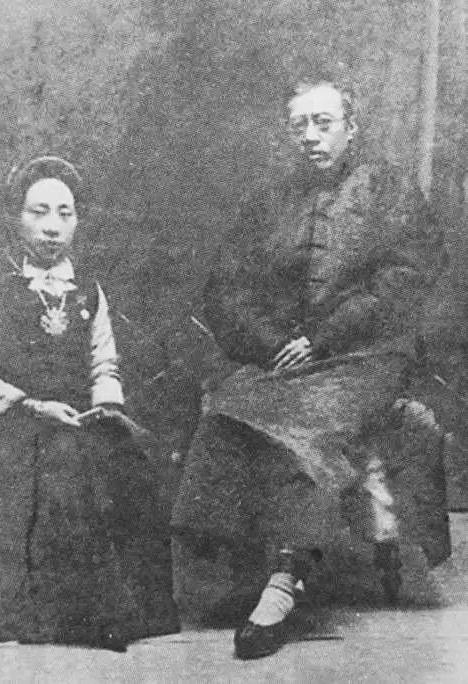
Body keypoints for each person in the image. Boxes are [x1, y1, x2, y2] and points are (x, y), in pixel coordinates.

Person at [172, 81, 450, 659]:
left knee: (305, 428)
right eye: (299, 126)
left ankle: (285, 579)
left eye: (323, 122)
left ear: (352, 126)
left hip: (363, 357)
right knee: (227, 414)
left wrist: (321, 338)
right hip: (280, 359)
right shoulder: (268, 202)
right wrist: (274, 342)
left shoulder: (390, 190)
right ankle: (231, 565)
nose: (310, 136)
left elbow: (403, 282)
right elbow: (225, 289)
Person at [0, 156, 179, 651]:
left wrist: (107, 407)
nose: (52, 227)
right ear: (17, 217)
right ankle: (66, 616)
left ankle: (131, 610)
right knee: (65, 467)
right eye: (38, 212)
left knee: (134, 464)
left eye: (65, 214)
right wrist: (32, 406)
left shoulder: (88, 288)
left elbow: (105, 364)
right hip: (11, 423)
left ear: (77, 220)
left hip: (78, 420)